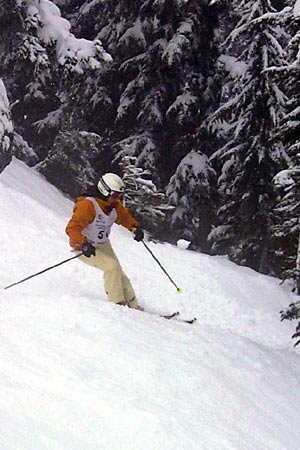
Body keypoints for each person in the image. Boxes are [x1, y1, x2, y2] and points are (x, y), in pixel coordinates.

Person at [65, 173, 144, 309]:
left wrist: (134, 228)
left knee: (119, 273)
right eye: (114, 195)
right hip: (84, 246)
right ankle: (118, 304)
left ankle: (133, 305)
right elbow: (72, 228)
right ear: (104, 190)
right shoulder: (87, 205)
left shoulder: (113, 205)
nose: (116, 199)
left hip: (103, 243)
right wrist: (83, 244)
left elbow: (124, 217)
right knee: (111, 267)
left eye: (118, 196)